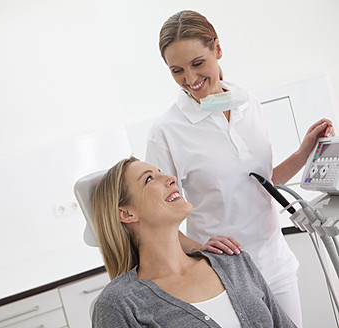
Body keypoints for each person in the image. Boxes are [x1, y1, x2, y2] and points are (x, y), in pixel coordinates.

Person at [145, 10, 335, 327]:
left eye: (197, 63)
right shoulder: (166, 131)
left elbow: (262, 182)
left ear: (217, 49)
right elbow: (156, 220)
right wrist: (198, 247)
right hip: (224, 274)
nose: (190, 80)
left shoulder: (250, 104)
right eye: (176, 70)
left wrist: (304, 153)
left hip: (276, 262)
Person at [91, 157, 296, 327]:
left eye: (161, 172)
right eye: (149, 179)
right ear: (126, 213)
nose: (171, 178)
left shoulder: (232, 260)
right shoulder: (118, 304)